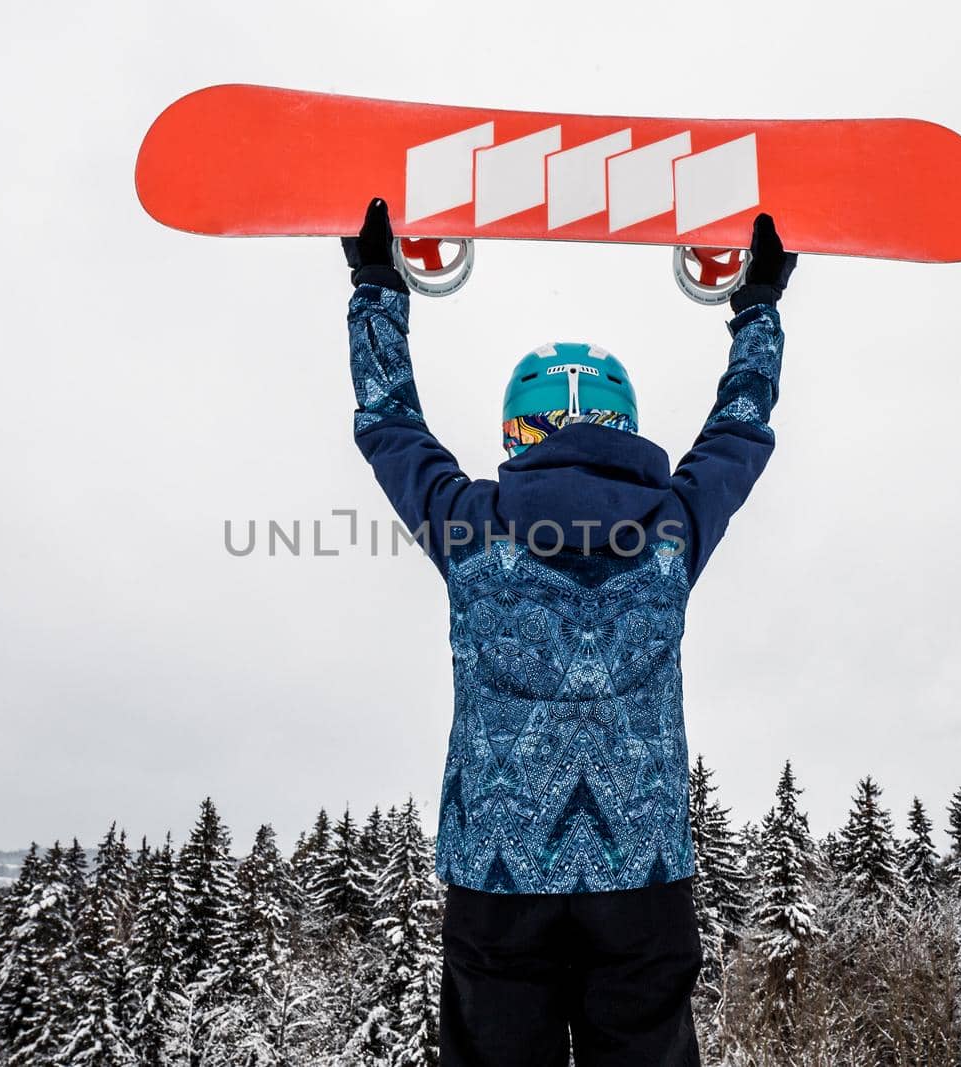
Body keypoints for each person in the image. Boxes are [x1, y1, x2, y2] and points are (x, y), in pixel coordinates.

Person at [343, 199, 795, 1067]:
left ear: (519, 426)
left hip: (499, 881)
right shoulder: (672, 527)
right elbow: (742, 430)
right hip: (645, 878)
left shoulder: (472, 526)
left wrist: (377, 289)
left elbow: (389, 426)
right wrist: (757, 308)